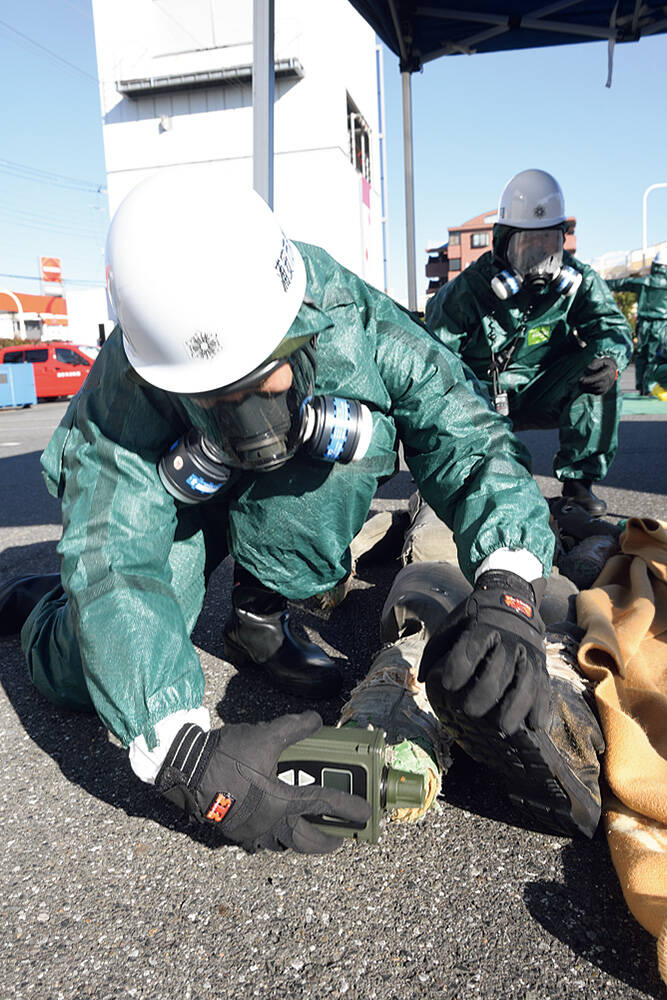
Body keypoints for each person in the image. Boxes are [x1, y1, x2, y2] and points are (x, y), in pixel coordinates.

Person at [1, 164, 584, 854]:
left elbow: (461, 431)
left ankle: (257, 616)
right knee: (87, 670)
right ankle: (46, 615)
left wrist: (509, 583)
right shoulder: (126, 387)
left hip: (275, 457)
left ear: (295, 321)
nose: (251, 424)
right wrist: (182, 757)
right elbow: (115, 554)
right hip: (179, 493)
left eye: (261, 375)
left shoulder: (346, 315)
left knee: (363, 435)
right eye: (218, 397)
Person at [425, 168, 633, 517]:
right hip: (481, 397)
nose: (539, 259)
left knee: (603, 373)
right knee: (434, 390)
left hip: (542, 389)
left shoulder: (579, 282)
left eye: (548, 244)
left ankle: (578, 487)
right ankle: (440, 485)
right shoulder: (471, 288)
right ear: (503, 243)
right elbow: (431, 355)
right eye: (527, 245)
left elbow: (611, 326)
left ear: (561, 241)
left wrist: (611, 361)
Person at [606, 248, 667, 398]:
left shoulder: (644, 281)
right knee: (656, 356)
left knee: (641, 355)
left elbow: (621, 283)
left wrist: (599, 283)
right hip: (662, 325)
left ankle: (641, 387)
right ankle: (651, 386)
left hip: (643, 324)